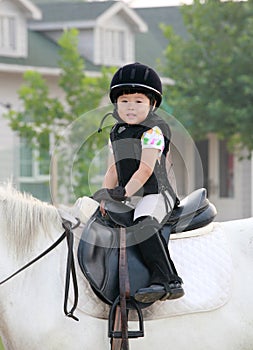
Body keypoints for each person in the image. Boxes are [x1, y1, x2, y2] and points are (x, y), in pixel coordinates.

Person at [98, 62, 184, 304]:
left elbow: (145, 169)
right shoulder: (116, 132)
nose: (130, 107)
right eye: (124, 101)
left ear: (152, 104)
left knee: (143, 223)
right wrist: (106, 195)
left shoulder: (154, 131)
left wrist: (123, 192)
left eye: (138, 101)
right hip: (128, 194)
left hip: (155, 193)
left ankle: (168, 279)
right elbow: (113, 167)